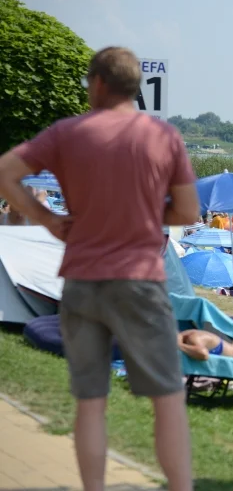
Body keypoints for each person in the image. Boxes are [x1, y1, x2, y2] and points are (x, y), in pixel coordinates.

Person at [0, 47, 196, 491]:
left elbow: (6, 171)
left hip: (83, 282)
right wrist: (142, 212)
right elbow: (186, 212)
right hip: (140, 281)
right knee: (167, 399)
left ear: (100, 83)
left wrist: (48, 219)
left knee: (91, 403)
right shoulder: (163, 137)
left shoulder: (68, 133)